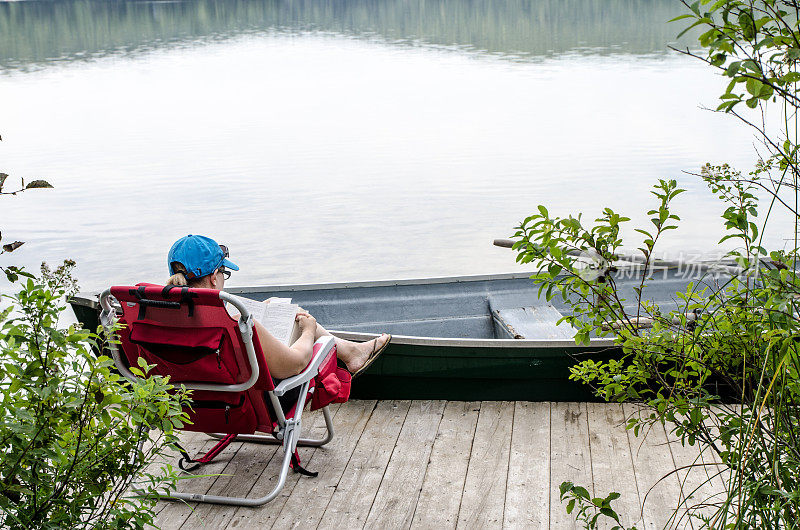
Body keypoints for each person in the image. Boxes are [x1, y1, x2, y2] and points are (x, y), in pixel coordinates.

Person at [164, 234, 391, 380]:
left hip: (192, 404)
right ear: (214, 277)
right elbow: (294, 364)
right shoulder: (233, 323)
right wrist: (309, 330)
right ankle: (351, 353)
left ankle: (352, 352)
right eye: (224, 273)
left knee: (275, 306)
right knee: (300, 318)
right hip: (251, 399)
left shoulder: (161, 316)